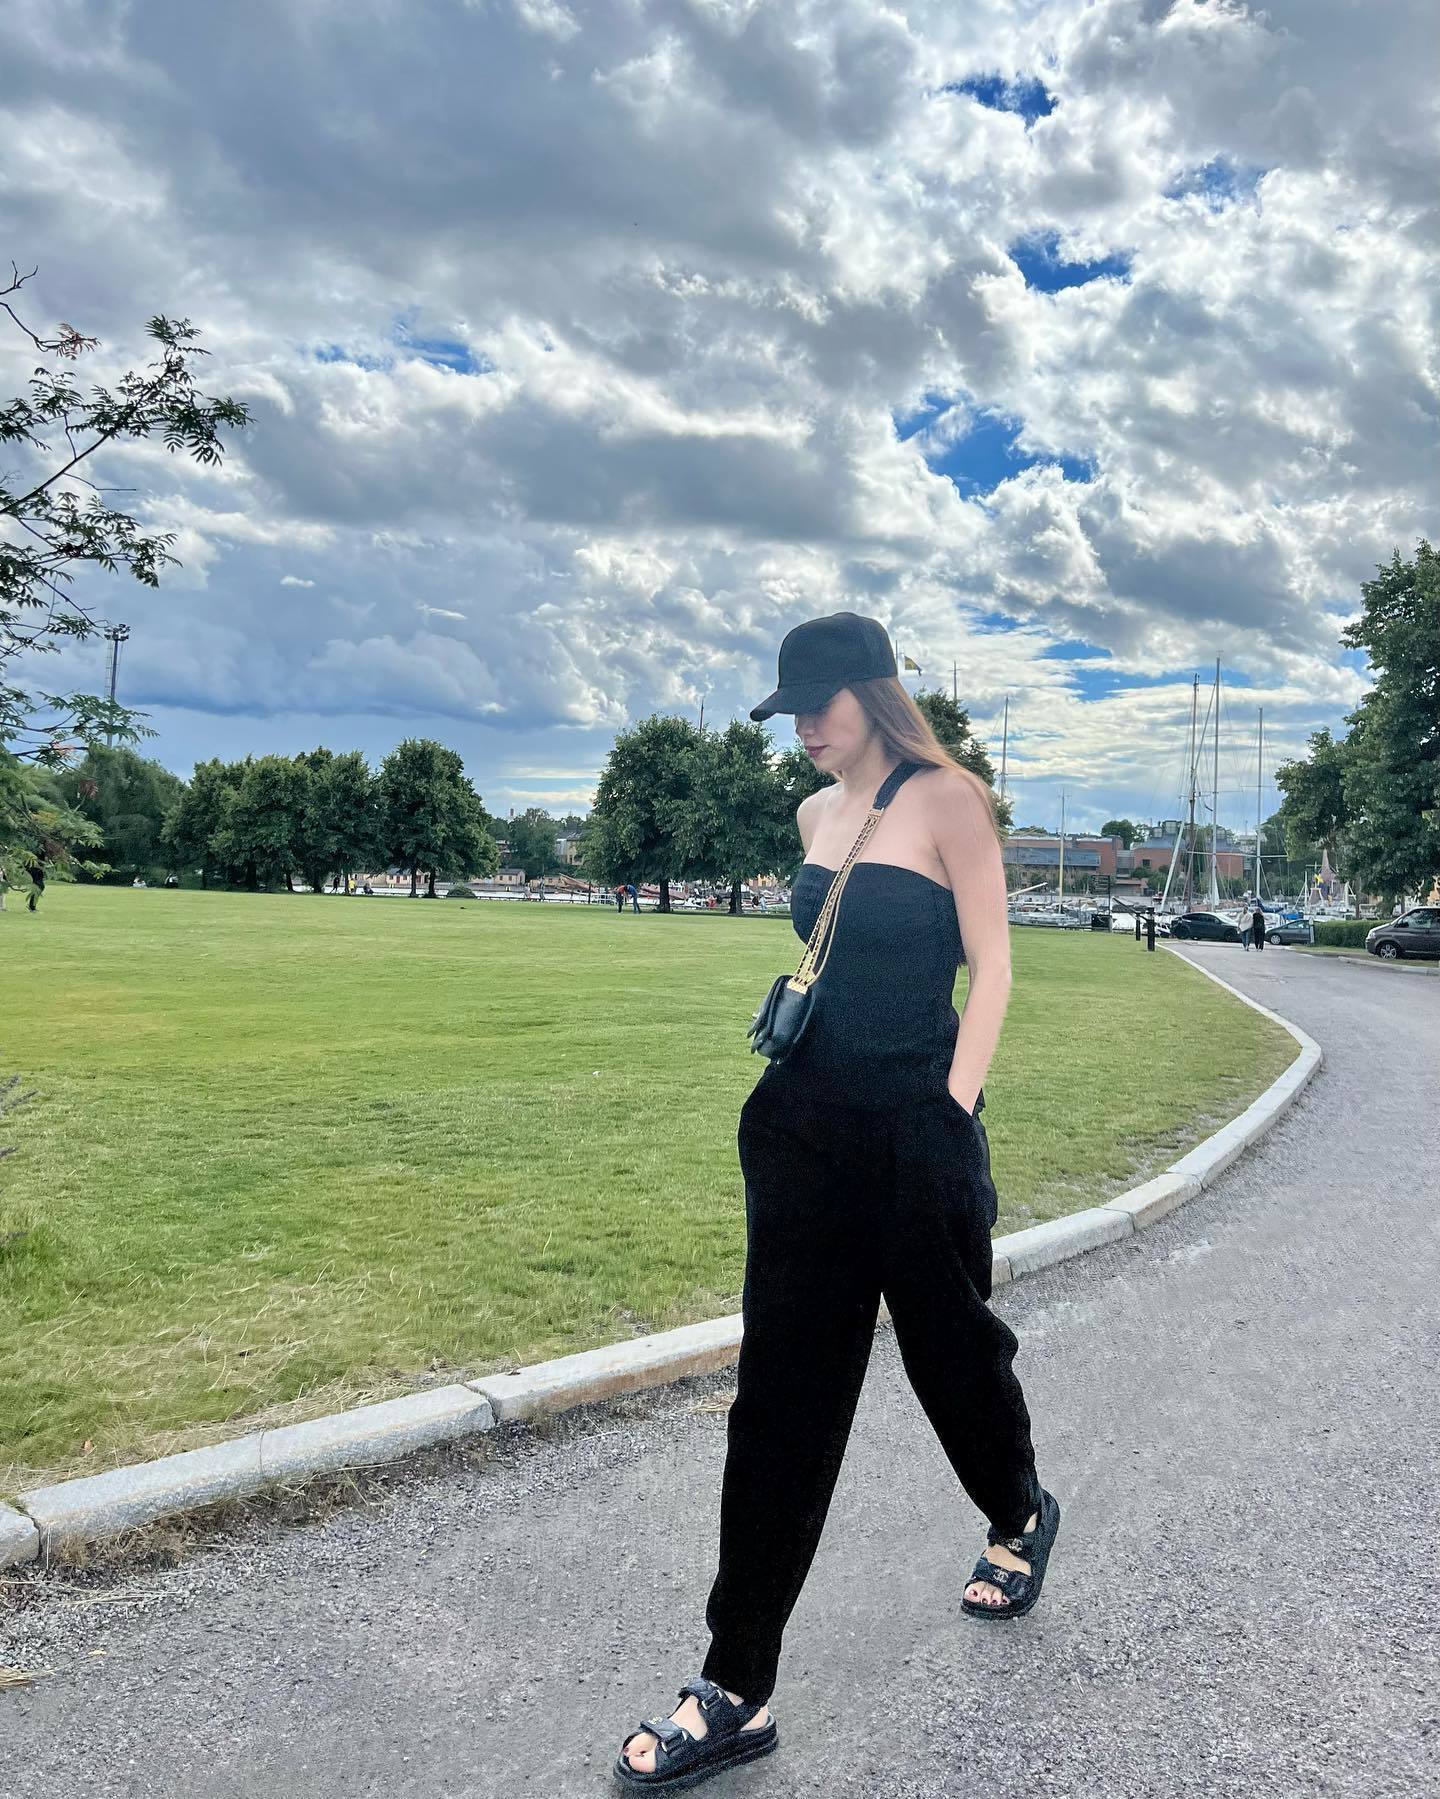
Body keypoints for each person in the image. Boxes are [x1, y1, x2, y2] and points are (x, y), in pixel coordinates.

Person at [613, 611, 1060, 1791]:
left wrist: (952, 1107)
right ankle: (736, 1682)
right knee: (781, 1401)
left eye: (821, 702)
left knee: (953, 1355)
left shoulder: (949, 799)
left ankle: (1020, 1510)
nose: (805, 725)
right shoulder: (816, 815)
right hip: (803, 1131)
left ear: (875, 692)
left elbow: (994, 962)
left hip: (917, 1130)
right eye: (792, 709)